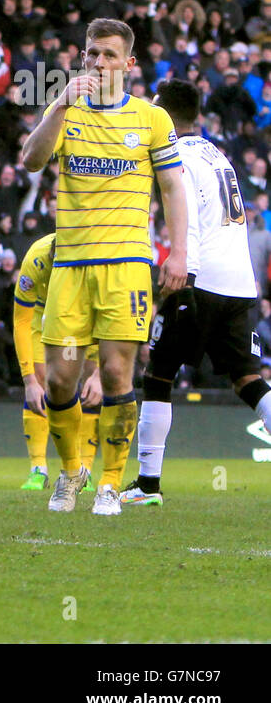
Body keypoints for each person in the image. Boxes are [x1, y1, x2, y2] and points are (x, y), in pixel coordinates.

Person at [19, 17, 189, 515]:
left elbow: (174, 187)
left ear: (129, 63)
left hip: (128, 266)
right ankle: (71, 474)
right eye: (92, 53)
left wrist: (177, 252)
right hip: (70, 266)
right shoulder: (67, 111)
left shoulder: (152, 119)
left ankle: (111, 483)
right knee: (60, 382)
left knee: (117, 374)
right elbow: (31, 159)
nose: (98, 62)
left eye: (109, 54)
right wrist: (58, 104)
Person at [125, 81, 271, 505]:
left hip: (200, 277)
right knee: (248, 379)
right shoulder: (215, 153)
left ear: (164, 115)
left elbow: (182, 207)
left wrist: (181, 268)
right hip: (240, 284)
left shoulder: (179, 156)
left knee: (158, 372)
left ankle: (148, 484)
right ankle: (147, 484)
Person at [12, 229, 102, 491]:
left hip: (84, 316)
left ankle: (84, 469)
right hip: (44, 316)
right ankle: (38, 469)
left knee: (90, 387)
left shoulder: (93, 263)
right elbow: (21, 320)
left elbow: (108, 315)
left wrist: (99, 374)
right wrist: (28, 379)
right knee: (43, 383)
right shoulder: (36, 259)